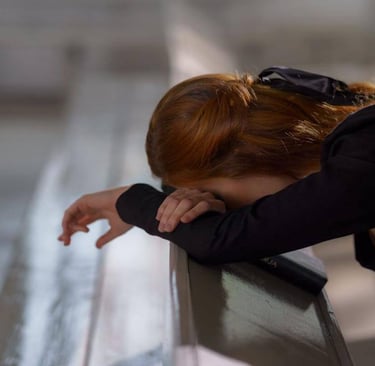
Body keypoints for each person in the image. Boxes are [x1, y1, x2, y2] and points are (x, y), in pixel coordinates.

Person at [58, 67, 375, 270]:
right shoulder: (356, 153)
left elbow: (221, 240)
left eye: (213, 193)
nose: (224, 210)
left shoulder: (363, 158)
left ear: (248, 159)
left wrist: (128, 201)